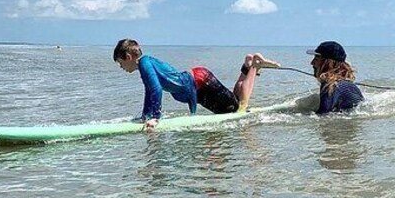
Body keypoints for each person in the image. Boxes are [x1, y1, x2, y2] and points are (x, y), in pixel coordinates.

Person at [113, 38, 279, 129]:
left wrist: (155, 118)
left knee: (238, 109)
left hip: (200, 82)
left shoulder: (144, 63)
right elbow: (150, 92)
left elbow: (156, 89)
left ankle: (255, 65)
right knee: (233, 104)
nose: (121, 67)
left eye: (120, 63)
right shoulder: (146, 63)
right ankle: (248, 65)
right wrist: (145, 116)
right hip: (199, 83)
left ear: (128, 57)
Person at [306, 41, 364, 114]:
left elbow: (323, 116)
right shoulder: (347, 84)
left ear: (327, 63)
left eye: (316, 58)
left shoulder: (331, 85)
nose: (312, 62)